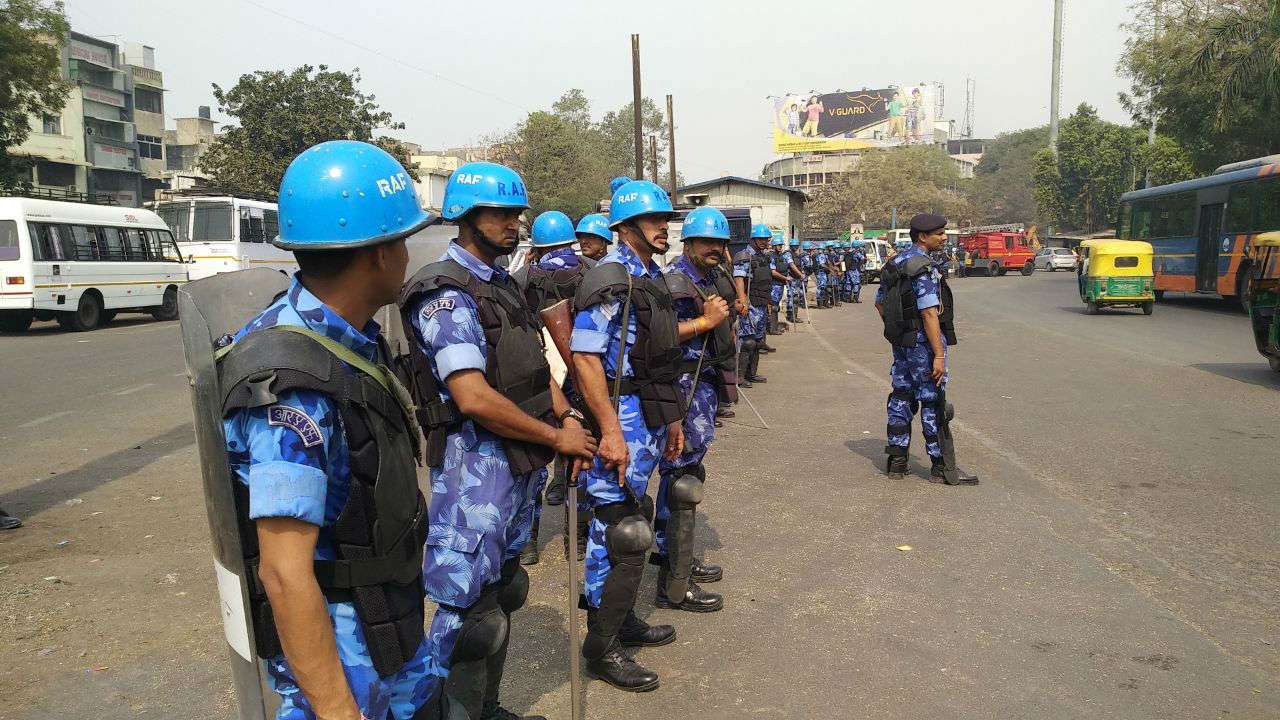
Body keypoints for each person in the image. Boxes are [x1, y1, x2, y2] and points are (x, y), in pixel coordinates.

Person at [220, 140, 440, 720]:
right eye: (403, 241)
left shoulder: (345, 341)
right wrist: (339, 711)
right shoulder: (292, 384)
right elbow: (285, 572)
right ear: (376, 256)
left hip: (384, 622)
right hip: (343, 656)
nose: (407, 256)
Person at [398, 162, 598, 720]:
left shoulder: (503, 285)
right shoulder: (444, 293)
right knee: (467, 616)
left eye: (517, 214)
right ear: (465, 216)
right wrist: (557, 438)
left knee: (504, 592)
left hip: (520, 461)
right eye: (500, 214)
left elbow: (533, 369)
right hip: (474, 472)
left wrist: (569, 418)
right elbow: (474, 399)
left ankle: (484, 707)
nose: (513, 224)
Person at [570, 179, 685, 692]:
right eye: (655, 219)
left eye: (667, 219)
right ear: (625, 226)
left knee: (632, 523)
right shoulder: (611, 278)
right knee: (617, 531)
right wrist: (610, 430)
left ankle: (622, 619)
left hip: (651, 418)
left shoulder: (650, 277)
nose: (665, 227)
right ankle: (601, 646)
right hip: (622, 421)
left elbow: (661, 358)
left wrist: (673, 419)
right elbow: (586, 356)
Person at [654, 206, 734, 614]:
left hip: (702, 387)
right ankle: (674, 582)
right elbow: (663, 337)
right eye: (707, 242)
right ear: (688, 243)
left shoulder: (707, 279)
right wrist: (705, 322)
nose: (715, 249)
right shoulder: (676, 284)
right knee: (681, 479)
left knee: (688, 474)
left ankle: (676, 558)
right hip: (682, 390)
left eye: (720, 243)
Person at [875, 213, 978, 486]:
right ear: (923, 236)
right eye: (939, 233)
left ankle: (896, 462)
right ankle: (942, 468)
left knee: (900, 397)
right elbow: (930, 313)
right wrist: (939, 355)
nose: (944, 237)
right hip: (923, 346)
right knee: (933, 402)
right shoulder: (924, 266)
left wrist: (898, 331)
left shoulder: (894, 263)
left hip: (903, 344)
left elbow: (880, 304)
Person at [733, 223, 778, 384]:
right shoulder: (744, 255)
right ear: (753, 239)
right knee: (748, 342)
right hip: (750, 304)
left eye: (766, 239)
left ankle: (752, 374)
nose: (764, 242)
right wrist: (743, 300)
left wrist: (768, 302)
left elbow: (766, 280)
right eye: (761, 239)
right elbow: (739, 278)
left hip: (762, 302)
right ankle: (739, 377)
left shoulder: (765, 256)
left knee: (758, 341)